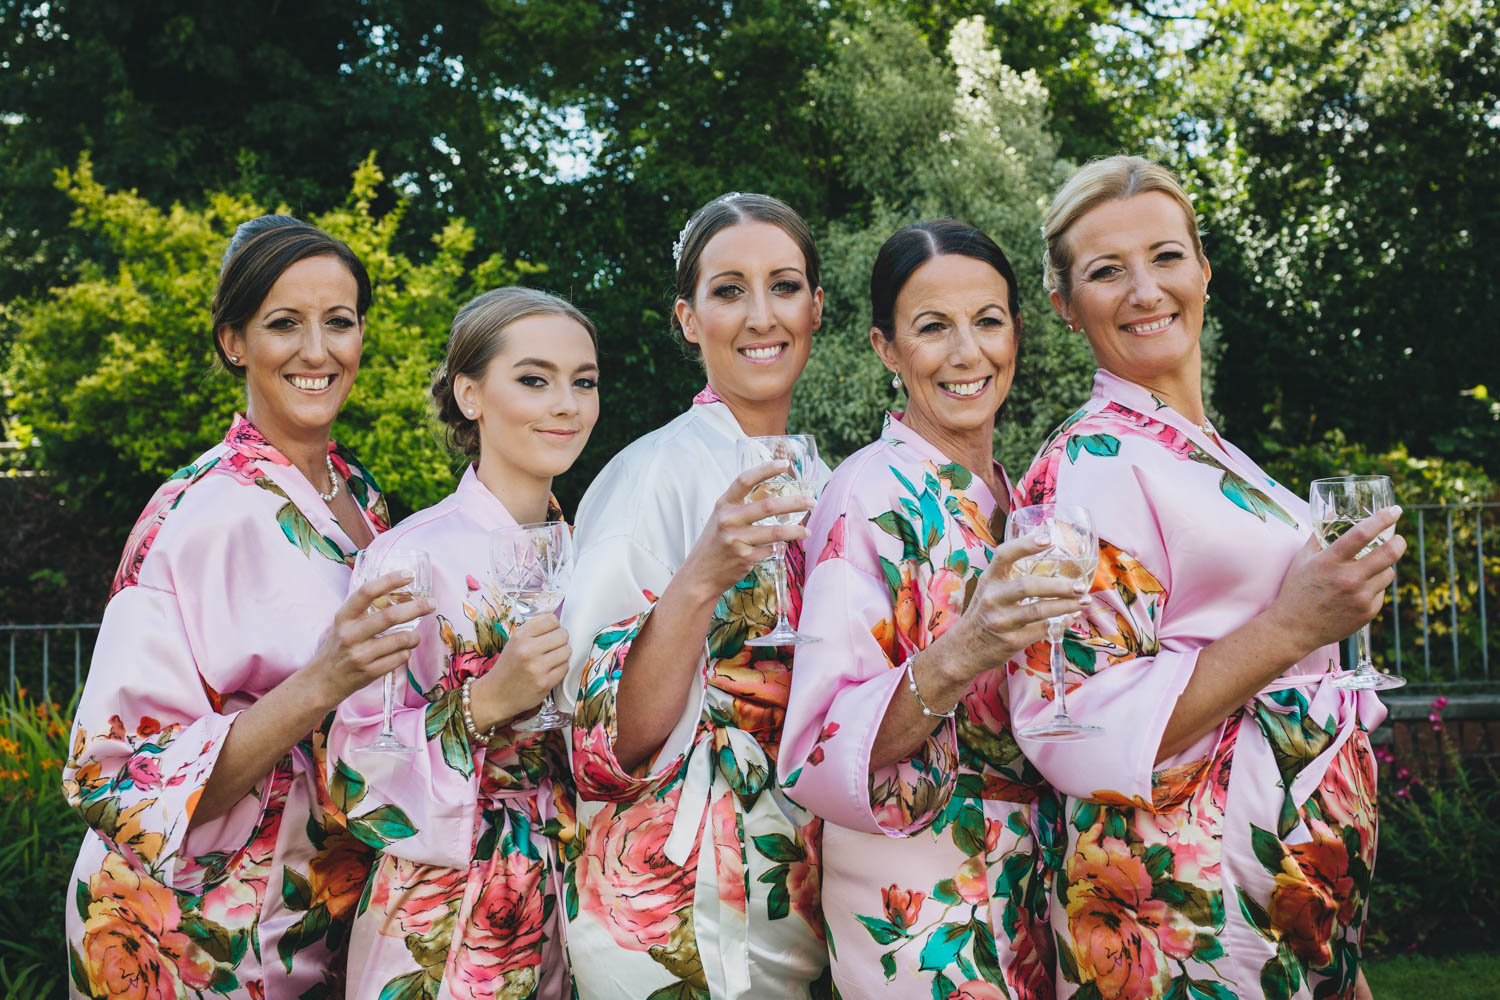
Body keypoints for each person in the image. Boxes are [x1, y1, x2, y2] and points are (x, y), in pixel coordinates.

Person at [1011, 155, 1399, 1000]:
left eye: (1166, 256)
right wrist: (1298, 624)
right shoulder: (1090, 462)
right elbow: (1073, 721)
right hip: (1193, 912)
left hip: (1292, 900)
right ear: (1064, 307)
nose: (1145, 289)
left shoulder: (1207, 451)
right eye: (1107, 271)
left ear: (1204, 269)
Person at [61, 216, 429, 998]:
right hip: (188, 933)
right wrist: (321, 682)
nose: (318, 351)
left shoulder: (359, 496)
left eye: (339, 322)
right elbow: (119, 779)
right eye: (284, 324)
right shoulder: (197, 514)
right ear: (235, 341)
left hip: (312, 910)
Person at [780, 220, 1077, 1000]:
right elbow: (820, 741)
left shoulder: (1030, 500)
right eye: (932, 328)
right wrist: (963, 649)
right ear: (886, 348)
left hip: (1037, 882)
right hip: (923, 905)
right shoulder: (865, 496)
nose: (966, 352)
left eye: (988, 320)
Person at [559, 193, 829, 998]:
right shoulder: (653, 475)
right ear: (687, 317)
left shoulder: (825, 476)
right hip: (671, 902)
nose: (760, 315)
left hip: (790, 886)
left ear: (817, 307)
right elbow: (603, 742)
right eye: (727, 290)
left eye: (783, 286)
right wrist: (703, 576)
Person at [328, 287, 599, 1000]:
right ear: (470, 394)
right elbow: (355, 769)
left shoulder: (598, 555)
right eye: (535, 379)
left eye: (585, 382)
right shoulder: (407, 560)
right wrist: (484, 703)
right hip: (442, 915)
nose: (566, 404)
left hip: (576, 901)